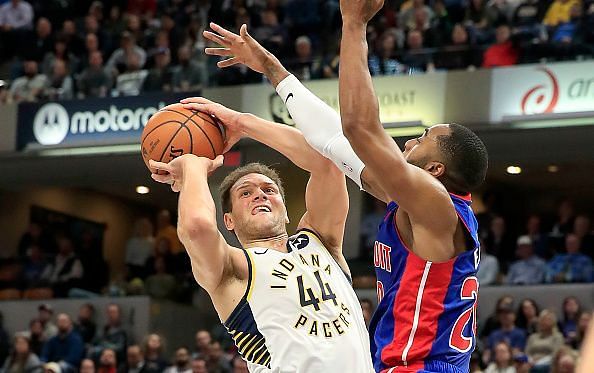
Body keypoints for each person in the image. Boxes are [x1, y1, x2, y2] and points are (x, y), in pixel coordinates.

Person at [201, 10, 488, 370]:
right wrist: (269, 75)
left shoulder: (435, 205)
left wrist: (354, 24)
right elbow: (333, 144)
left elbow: (358, 128)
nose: (414, 138)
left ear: (435, 170)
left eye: (426, 137)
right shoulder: (417, 204)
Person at [153, 61, 373, 373]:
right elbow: (198, 227)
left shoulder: (320, 241)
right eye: (245, 193)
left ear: (284, 210)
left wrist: (243, 123)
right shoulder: (233, 268)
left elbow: (327, 162)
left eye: (269, 190)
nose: (260, 194)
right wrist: (193, 169)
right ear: (228, 221)